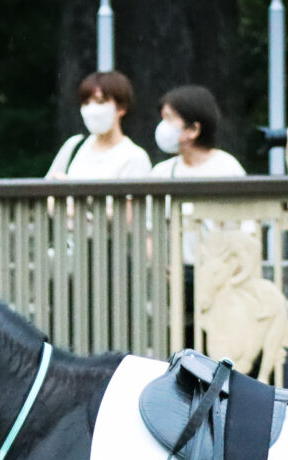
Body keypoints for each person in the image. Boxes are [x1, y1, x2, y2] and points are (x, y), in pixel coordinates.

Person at [149, 85, 246, 349]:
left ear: (193, 129)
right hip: (176, 279)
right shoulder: (161, 172)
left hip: (220, 282)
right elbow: (150, 232)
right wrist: (162, 266)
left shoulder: (226, 168)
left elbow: (243, 232)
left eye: (170, 119)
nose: (163, 127)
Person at [46, 70, 151, 180]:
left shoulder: (135, 157)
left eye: (100, 101)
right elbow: (45, 189)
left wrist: (72, 190)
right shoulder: (75, 145)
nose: (92, 109)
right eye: (86, 103)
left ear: (121, 108)